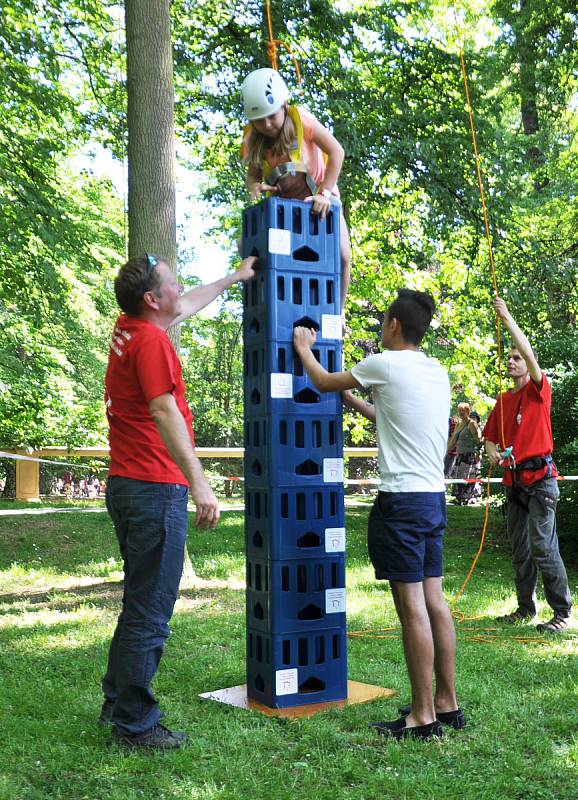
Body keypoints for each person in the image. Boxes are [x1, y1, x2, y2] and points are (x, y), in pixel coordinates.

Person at [100, 251, 256, 750]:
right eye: (171, 281)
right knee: (150, 612)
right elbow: (164, 410)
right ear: (152, 299)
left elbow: (187, 302)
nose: (180, 286)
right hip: (153, 489)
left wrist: (234, 277)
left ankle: (116, 705)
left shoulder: (132, 327)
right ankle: (136, 724)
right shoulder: (151, 342)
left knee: (138, 603)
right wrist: (200, 483)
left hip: (127, 485)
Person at [293, 289, 464, 741]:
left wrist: (304, 350)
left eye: (383, 320)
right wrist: (356, 401)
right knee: (434, 601)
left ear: (392, 326)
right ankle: (447, 704)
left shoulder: (384, 363)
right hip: (431, 499)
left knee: (412, 609)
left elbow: (323, 381)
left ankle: (421, 717)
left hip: (401, 505)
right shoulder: (436, 371)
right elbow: (394, 418)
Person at [483, 297, 572, 633]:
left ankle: (562, 613)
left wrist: (506, 318)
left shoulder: (539, 391)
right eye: (508, 357)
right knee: (521, 550)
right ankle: (525, 608)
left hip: (541, 481)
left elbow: (530, 354)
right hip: (515, 483)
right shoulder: (503, 402)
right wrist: (492, 451)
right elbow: (490, 436)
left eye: (516, 357)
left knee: (543, 547)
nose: (511, 360)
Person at [240, 67, 351, 308]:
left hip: (318, 200)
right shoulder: (251, 140)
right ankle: (272, 306)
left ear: (284, 105)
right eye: (259, 120)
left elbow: (337, 152)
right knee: (247, 247)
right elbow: (252, 176)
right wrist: (255, 187)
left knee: (342, 255)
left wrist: (325, 193)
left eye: (271, 115)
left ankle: (338, 312)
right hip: (284, 209)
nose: (267, 124)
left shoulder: (303, 121)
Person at [448, 403, 483, 505]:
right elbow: (453, 440)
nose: (460, 413)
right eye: (459, 411)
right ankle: (458, 498)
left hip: (470, 455)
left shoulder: (472, 424)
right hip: (460, 454)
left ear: (468, 411)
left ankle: (467, 498)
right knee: (459, 475)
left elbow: (479, 440)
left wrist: (478, 453)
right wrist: (445, 452)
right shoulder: (458, 424)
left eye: (463, 411)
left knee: (468, 476)